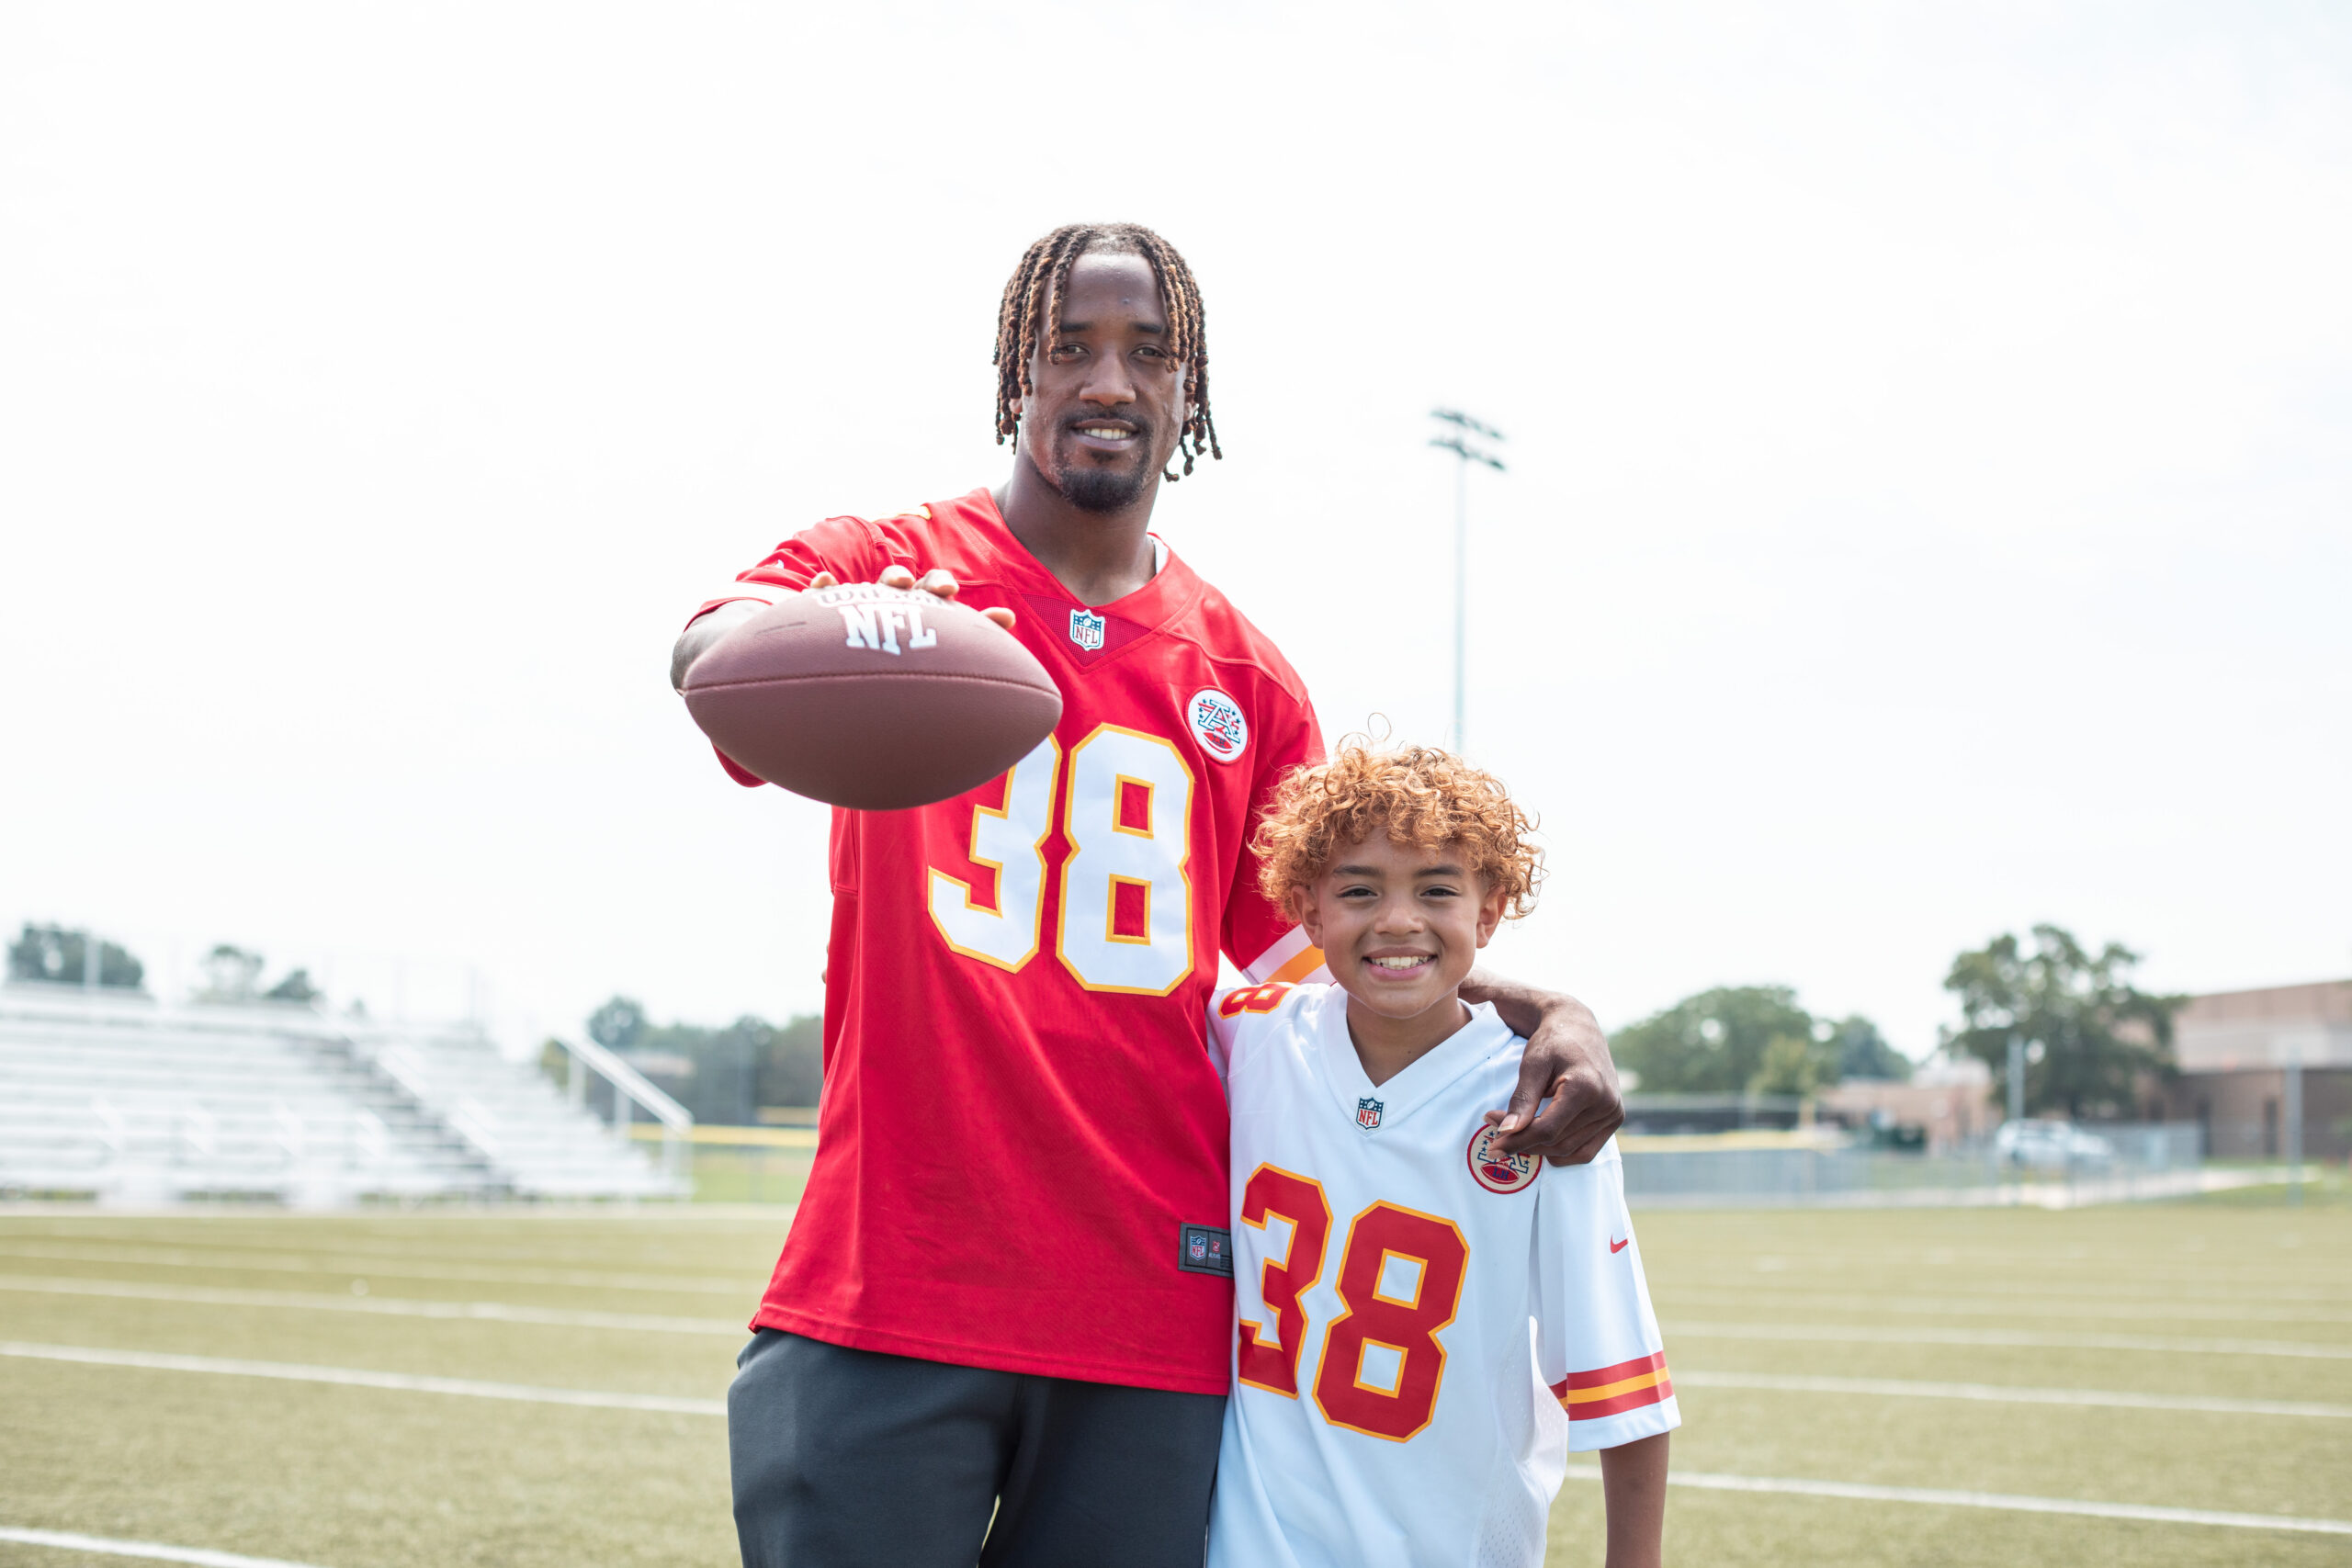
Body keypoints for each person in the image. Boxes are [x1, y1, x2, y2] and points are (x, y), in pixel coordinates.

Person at [670, 221, 1625, 1568]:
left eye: (1147, 352)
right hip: (890, 1286)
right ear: (1019, 374)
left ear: (1191, 393)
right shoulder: (889, 567)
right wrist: (857, 628)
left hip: (1150, 1317)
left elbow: (1354, 947)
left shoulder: (1246, 681)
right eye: (1070, 347)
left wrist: (1545, 1005)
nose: (1108, 379)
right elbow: (707, 651)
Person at [1206, 743, 1674, 1568]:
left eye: (1436, 889)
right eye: (1359, 890)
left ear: (1489, 912)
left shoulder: (1548, 1106)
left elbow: (1621, 1388)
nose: (1396, 919)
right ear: (1308, 915)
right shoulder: (1248, 1032)